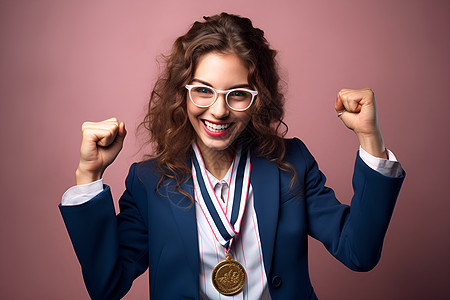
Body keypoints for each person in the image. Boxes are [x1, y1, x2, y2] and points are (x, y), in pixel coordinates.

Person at [59, 13, 405, 300]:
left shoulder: (291, 163)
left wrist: (369, 137)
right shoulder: (150, 181)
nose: (219, 111)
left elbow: (358, 253)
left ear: (259, 98)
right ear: (182, 93)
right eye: (203, 91)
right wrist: (88, 177)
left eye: (237, 94)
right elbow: (106, 285)